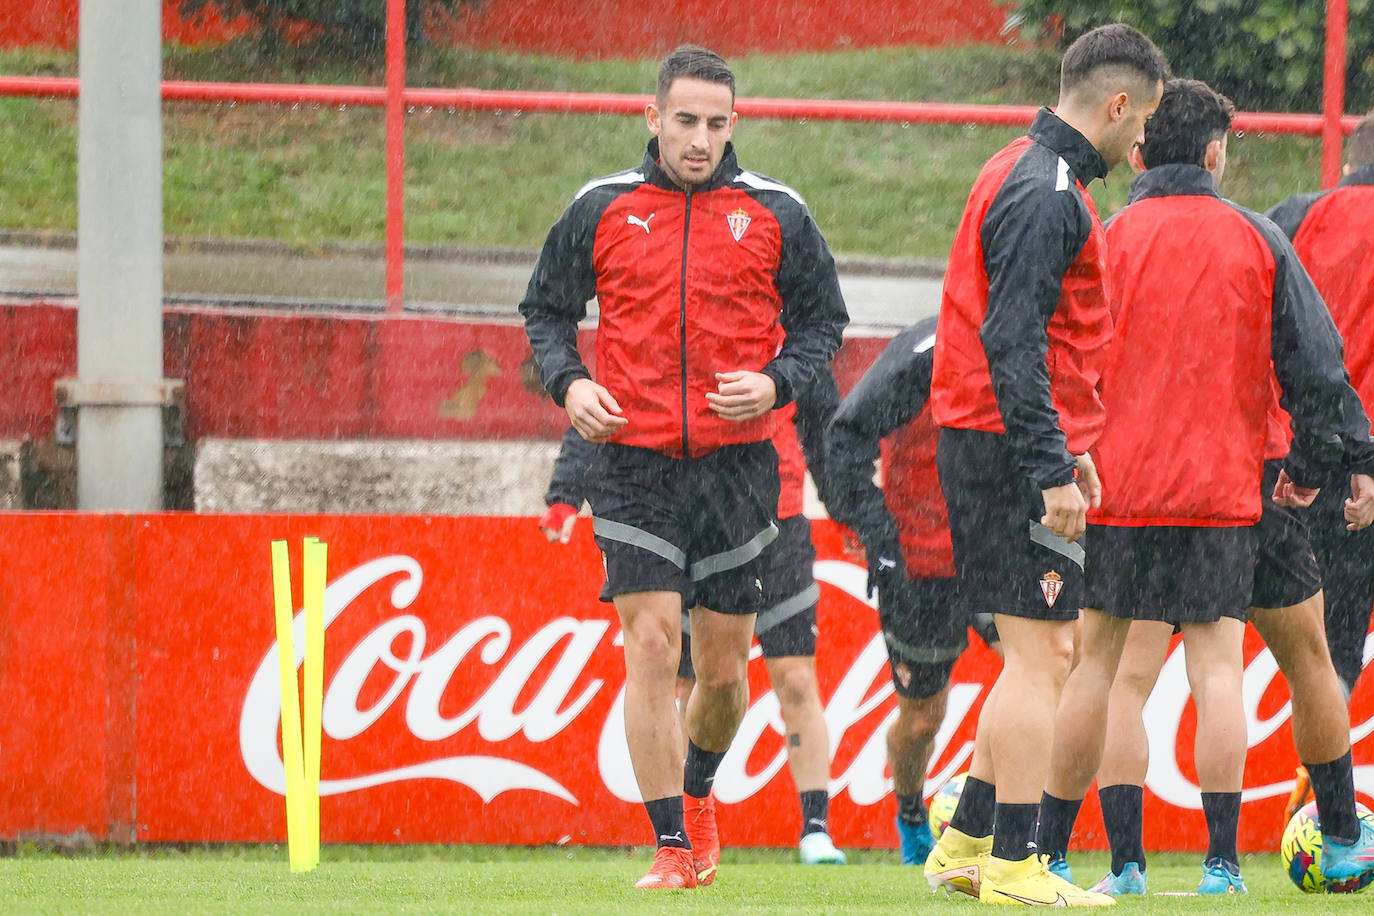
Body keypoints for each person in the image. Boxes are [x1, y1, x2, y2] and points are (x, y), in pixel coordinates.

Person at [520, 44, 848, 890]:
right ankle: (670, 845)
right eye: (685, 121)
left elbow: (823, 322)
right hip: (630, 464)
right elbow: (546, 311)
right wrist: (571, 383)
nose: (699, 139)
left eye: (716, 123)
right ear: (652, 117)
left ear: (734, 124)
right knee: (651, 645)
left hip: (740, 468)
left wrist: (776, 381)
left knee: (726, 673)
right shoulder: (600, 207)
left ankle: (699, 794)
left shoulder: (777, 211)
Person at [1036, 78, 1374, 897]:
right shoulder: (1255, 237)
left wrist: (1058, 462)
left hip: (1122, 487)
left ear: (1142, 148)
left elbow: (1063, 361)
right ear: (1217, 152)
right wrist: (1323, 465)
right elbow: (1315, 366)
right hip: (1237, 486)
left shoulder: (1106, 234)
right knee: (1280, 660)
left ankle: (1104, 861)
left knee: (1115, 674)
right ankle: (1298, 845)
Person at [922, 23, 1166, 907]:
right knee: (1043, 658)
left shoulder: (1019, 166)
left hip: (997, 439)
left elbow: (1030, 340)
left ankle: (964, 844)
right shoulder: (1049, 190)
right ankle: (1017, 865)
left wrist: (1072, 449)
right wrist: (1050, 466)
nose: (1139, 144)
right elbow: (1013, 342)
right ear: (1115, 105)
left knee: (1038, 654)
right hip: (1002, 443)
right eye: (1138, 125)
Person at [538, 369, 850, 867]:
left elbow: (827, 434)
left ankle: (815, 828)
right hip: (690, 513)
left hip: (780, 523)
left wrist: (846, 507)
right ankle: (680, 827)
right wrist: (565, 494)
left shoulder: (794, 342)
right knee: (684, 677)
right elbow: (600, 400)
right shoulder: (670, 325)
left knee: (790, 678)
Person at [823, 315, 1002, 868]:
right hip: (921, 563)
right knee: (923, 717)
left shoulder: (1044, 340)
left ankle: (1024, 830)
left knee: (1046, 671)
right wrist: (876, 533)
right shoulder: (924, 352)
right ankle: (912, 816)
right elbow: (844, 436)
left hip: (1000, 553)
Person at [1267, 111, 1374, 699]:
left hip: (1317, 458)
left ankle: (1317, 785)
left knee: (1323, 647)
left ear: (1353, 159)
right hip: (1351, 460)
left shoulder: (1297, 216)